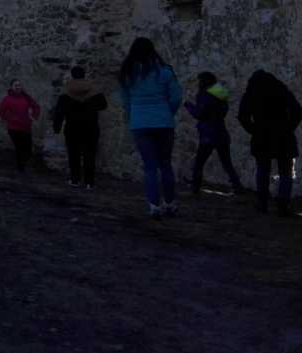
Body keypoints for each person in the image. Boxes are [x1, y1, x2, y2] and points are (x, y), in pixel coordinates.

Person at [118, 37, 183, 219]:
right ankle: (170, 203)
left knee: (150, 167)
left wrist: (134, 117)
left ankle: (154, 205)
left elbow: (126, 101)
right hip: (164, 122)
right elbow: (176, 96)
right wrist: (167, 113)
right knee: (165, 164)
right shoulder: (164, 71)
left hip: (140, 123)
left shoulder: (128, 73)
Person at [237, 70, 302, 216]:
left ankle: (262, 204)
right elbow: (297, 111)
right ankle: (283, 206)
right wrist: (289, 128)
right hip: (283, 136)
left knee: (263, 170)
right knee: (286, 172)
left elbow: (243, 116)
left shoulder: (251, 93)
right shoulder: (280, 89)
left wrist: (254, 130)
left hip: (262, 136)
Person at [184, 72, 243, 195]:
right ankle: (237, 187)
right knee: (227, 163)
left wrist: (188, 105)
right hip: (221, 132)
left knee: (199, 163)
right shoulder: (220, 94)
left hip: (208, 134)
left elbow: (199, 114)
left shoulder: (205, 95)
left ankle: (195, 188)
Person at [52, 66, 108, 189]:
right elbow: (103, 105)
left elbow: (59, 112)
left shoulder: (67, 91)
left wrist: (56, 127)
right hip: (91, 126)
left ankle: (75, 179)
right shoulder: (93, 89)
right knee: (90, 154)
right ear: (84, 75)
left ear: (72, 75)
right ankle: (89, 182)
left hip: (72, 126)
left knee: (73, 154)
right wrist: (90, 108)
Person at [0, 80, 41, 173]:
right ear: (11, 87)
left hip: (26, 127)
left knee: (28, 149)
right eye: (16, 85)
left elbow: (36, 107)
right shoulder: (7, 99)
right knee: (19, 148)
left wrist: (33, 116)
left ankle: (24, 164)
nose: (18, 87)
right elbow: (2, 112)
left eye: (20, 85)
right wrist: (12, 119)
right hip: (14, 128)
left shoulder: (26, 97)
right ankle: (20, 168)